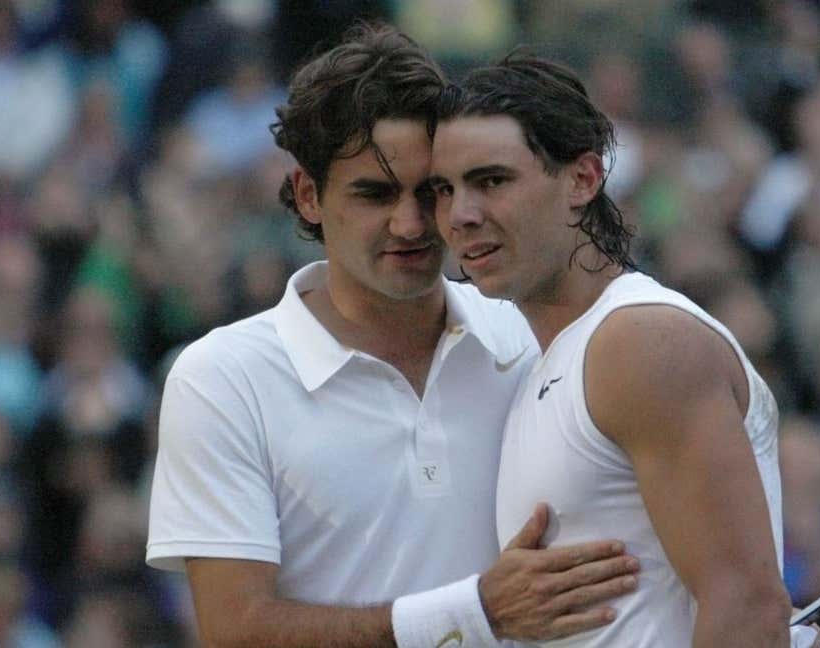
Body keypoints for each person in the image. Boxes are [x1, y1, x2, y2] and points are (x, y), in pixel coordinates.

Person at [145, 24, 639, 648]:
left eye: (429, 191)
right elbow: (235, 630)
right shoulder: (221, 376)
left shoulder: (529, 337)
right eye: (374, 194)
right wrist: (474, 612)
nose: (410, 225)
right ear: (308, 194)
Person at [429, 54, 801, 646]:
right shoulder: (548, 363)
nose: (461, 216)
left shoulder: (642, 342)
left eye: (491, 181)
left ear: (582, 179)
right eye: (443, 190)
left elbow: (748, 607)